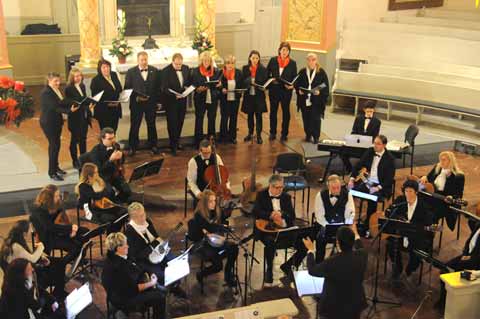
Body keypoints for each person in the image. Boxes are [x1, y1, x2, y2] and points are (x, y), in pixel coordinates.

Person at [253, 174, 307, 286]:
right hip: (267, 230)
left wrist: (281, 214)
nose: (280, 190)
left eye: (282, 187)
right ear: (271, 186)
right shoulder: (261, 195)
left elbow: (292, 216)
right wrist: (271, 215)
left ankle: (288, 265)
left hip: (285, 229)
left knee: (305, 244)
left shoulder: (286, 197)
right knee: (270, 242)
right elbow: (256, 212)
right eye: (277, 187)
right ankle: (269, 270)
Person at [303, 225, 368, 319]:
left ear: (338, 242)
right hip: (355, 304)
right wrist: (356, 233)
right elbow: (360, 245)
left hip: (333, 307)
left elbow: (313, 270)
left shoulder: (331, 262)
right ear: (352, 241)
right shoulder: (362, 255)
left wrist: (311, 250)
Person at [124, 202, 186, 298]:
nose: (143, 218)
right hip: (144, 260)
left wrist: (163, 247)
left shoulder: (147, 221)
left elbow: (156, 237)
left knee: (175, 263)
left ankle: (175, 286)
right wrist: (154, 245)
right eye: (140, 216)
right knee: (162, 274)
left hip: (157, 251)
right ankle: (162, 291)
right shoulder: (129, 232)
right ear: (133, 218)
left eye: (144, 214)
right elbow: (136, 255)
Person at [102, 232, 166, 319]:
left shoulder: (117, 256)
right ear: (118, 248)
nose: (128, 246)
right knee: (160, 297)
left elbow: (137, 266)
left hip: (127, 289)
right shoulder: (119, 267)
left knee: (160, 290)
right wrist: (151, 283)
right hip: (124, 299)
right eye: (125, 244)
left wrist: (150, 273)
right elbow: (133, 289)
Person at [0, 220, 67, 299]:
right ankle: (57, 294)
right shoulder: (15, 246)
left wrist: (41, 259)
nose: (31, 231)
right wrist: (41, 246)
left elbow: (26, 257)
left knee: (58, 262)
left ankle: (58, 292)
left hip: (23, 271)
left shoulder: (12, 241)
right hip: (23, 278)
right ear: (24, 233)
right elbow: (32, 259)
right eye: (30, 229)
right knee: (57, 270)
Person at [187, 190, 239, 287]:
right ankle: (201, 274)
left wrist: (230, 209)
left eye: (214, 201)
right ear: (204, 203)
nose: (213, 204)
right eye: (210, 201)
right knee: (218, 266)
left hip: (216, 240)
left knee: (234, 248)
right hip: (204, 244)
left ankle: (228, 276)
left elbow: (223, 216)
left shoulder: (216, 210)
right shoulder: (199, 215)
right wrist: (221, 226)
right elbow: (209, 227)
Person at [29, 184, 90, 265]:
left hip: (58, 231)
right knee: (75, 247)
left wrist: (71, 230)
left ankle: (78, 257)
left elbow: (61, 219)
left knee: (85, 232)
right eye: (57, 196)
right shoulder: (38, 210)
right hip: (47, 237)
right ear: (49, 198)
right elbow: (50, 227)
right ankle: (62, 263)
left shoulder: (54, 204)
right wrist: (70, 229)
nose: (59, 197)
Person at [386, 179, 434, 280]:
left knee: (418, 253)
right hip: (401, 233)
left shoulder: (423, 207)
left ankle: (410, 269)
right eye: (406, 191)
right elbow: (389, 212)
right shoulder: (400, 200)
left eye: (410, 191)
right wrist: (399, 218)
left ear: (416, 192)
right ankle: (398, 267)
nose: (408, 194)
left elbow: (428, 226)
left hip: (415, 236)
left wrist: (414, 227)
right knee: (389, 243)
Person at [348, 135, 395, 236]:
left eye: (378, 144)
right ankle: (350, 221)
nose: (375, 146)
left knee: (372, 199)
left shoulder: (390, 159)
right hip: (367, 181)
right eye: (375, 143)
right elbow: (358, 165)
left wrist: (377, 188)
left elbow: (389, 179)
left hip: (380, 186)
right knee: (349, 192)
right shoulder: (370, 151)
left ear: (384, 145)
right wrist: (352, 179)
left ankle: (367, 226)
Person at [40, 72, 77, 181]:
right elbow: (54, 108)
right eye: (55, 81)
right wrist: (69, 111)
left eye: (58, 80)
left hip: (56, 121)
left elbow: (62, 102)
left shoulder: (55, 90)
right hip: (49, 123)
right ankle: (52, 172)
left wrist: (75, 102)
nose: (58, 83)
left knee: (57, 145)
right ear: (49, 81)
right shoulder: (46, 93)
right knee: (54, 146)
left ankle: (56, 167)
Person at [436, 221, 480, 309]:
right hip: (467, 256)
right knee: (445, 269)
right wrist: (465, 253)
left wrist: (468, 258)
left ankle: (449, 305)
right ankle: (443, 301)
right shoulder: (478, 223)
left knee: (451, 274)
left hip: (475, 264)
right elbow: (469, 242)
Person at [124, 51, 160, 156]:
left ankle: (153, 145)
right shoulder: (131, 72)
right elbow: (127, 88)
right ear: (138, 60)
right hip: (137, 104)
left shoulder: (154, 70)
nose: (144, 62)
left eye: (145, 59)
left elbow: (158, 88)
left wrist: (157, 101)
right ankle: (133, 147)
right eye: (142, 60)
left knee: (152, 125)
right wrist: (137, 98)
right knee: (135, 125)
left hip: (151, 103)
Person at [75, 162, 127, 233]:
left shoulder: (98, 181)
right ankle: (111, 234)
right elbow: (96, 196)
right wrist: (105, 192)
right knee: (111, 219)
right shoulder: (83, 186)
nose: (98, 174)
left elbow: (109, 192)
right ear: (90, 175)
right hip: (92, 210)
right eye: (96, 172)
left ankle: (115, 232)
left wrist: (108, 192)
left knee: (124, 212)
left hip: (103, 205)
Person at [314, 174, 355, 262]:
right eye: (333, 188)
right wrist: (327, 226)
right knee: (320, 240)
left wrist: (346, 224)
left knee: (348, 240)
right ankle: (319, 264)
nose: (336, 190)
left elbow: (350, 213)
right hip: (325, 226)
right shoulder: (320, 195)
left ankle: (344, 263)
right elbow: (319, 215)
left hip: (342, 226)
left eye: (338, 187)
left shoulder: (347, 195)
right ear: (328, 187)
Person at [420, 151, 465, 231]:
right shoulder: (437, 168)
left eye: (444, 160)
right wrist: (424, 177)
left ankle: (430, 233)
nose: (441, 162)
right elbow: (428, 178)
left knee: (431, 214)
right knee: (418, 206)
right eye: (440, 159)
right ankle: (420, 228)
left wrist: (451, 197)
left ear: (450, 161)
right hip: (432, 195)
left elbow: (458, 194)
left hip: (444, 201)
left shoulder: (459, 176)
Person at [89, 127, 131, 203]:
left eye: (113, 137)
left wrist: (122, 156)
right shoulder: (95, 151)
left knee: (127, 191)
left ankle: (118, 204)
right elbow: (99, 170)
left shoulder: (116, 146)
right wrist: (110, 160)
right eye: (110, 139)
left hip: (115, 175)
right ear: (102, 139)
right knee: (110, 193)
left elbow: (121, 162)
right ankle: (112, 207)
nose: (113, 141)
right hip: (102, 177)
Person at [295, 52, 329, 144]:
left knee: (316, 119)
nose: (311, 62)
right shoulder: (302, 71)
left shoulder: (321, 72)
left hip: (316, 101)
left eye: (313, 60)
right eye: (309, 60)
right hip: (304, 100)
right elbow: (297, 84)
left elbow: (325, 85)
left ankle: (316, 136)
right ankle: (308, 134)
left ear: (316, 60)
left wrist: (319, 92)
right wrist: (299, 90)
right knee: (306, 118)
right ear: (307, 61)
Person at [266, 42, 297, 142]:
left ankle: (284, 134)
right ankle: (272, 132)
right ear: (279, 50)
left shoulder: (292, 63)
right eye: (283, 50)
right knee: (273, 112)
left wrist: (292, 85)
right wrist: (271, 80)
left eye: (287, 50)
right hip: (274, 90)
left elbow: (294, 78)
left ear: (289, 52)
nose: (285, 52)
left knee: (286, 113)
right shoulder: (273, 60)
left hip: (285, 92)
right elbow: (267, 74)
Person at [161, 53, 191, 155]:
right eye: (177, 64)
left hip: (182, 100)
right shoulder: (165, 71)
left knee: (180, 122)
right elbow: (163, 88)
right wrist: (174, 95)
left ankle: (177, 142)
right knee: (172, 123)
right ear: (172, 62)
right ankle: (173, 146)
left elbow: (188, 82)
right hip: (171, 101)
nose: (179, 66)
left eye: (180, 64)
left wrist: (187, 88)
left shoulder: (186, 68)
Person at [64, 68, 94, 169]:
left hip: (83, 118)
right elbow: (76, 103)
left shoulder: (82, 85)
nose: (78, 78)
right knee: (74, 140)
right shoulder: (68, 88)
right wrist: (87, 106)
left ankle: (83, 159)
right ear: (72, 77)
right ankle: (75, 160)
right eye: (76, 76)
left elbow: (83, 100)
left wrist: (89, 104)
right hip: (75, 119)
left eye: (79, 75)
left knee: (83, 140)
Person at [191, 51, 222, 145]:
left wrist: (220, 85)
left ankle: (211, 139)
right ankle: (198, 141)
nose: (206, 62)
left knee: (212, 118)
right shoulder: (195, 71)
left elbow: (219, 83)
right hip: (200, 98)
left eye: (208, 60)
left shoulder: (216, 71)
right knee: (199, 118)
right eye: (204, 60)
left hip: (213, 98)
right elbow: (192, 84)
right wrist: (198, 89)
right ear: (201, 61)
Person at [186, 139, 231, 203]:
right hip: (202, 190)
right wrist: (197, 193)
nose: (207, 155)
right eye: (205, 153)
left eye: (209, 152)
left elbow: (224, 176)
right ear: (200, 151)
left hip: (216, 189)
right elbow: (191, 181)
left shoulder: (216, 157)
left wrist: (227, 188)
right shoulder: (193, 162)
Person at [342, 100, 381, 173]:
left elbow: (375, 135)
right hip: (357, 144)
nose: (369, 113)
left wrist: (369, 142)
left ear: (374, 110)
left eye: (371, 111)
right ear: (364, 110)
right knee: (342, 151)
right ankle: (349, 169)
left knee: (368, 156)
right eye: (368, 111)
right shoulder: (358, 118)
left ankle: (360, 170)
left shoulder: (377, 122)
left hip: (368, 146)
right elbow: (353, 131)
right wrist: (352, 140)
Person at [241, 50, 268, 144]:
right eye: (253, 58)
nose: (255, 60)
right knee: (250, 116)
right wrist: (249, 81)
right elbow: (242, 81)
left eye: (257, 58)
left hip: (259, 96)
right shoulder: (245, 68)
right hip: (249, 96)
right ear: (250, 58)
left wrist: (263, 86)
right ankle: (250, 133)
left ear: (259, 59)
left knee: (259, 116)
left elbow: (265, 82)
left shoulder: (263, 69)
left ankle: (259, 135)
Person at [90, 59, 123, 131]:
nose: (106, 69)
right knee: (106, 132)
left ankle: (112, 142)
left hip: (115, 109)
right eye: (103, 67)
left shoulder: (114, 74)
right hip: (104, 112)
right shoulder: (96, 80)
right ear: (99, 69)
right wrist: (109, 103)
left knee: (114, 130)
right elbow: (95, 98)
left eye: (108, 67)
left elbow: (119, 88)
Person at [219, 55, 243, 144]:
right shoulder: (221, 73)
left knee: (233, 118)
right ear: (225, 64)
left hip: (235, 99)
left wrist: (240, 91)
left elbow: (241, 85)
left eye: (232, 63)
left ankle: (232, 137)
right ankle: (223, 137)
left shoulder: (239, 73)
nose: (230, 65)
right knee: (224, 118)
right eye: (228, 63)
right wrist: (222, 89)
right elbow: (217, 85)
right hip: (224, 99)